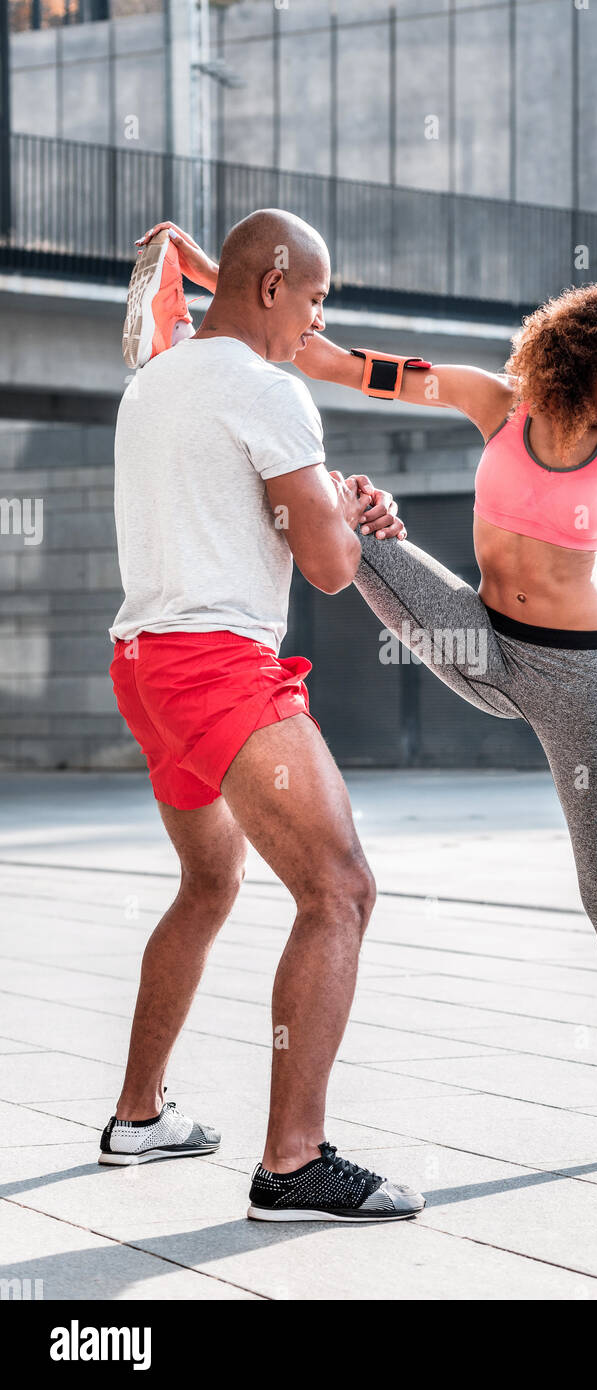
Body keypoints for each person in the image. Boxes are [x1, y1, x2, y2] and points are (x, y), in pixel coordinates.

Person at [133, 218, 597, 1165]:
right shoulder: (489, 402)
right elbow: (324, 359)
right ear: (579, 362)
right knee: (352, 518)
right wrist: (210, 272)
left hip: (582, 679)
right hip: (476, 639)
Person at [103, 211, 425, 1222]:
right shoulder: (267, 389)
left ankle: (139, 1116)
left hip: (142, 660)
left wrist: (325, 496)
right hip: (219, 664)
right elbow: (328, 569)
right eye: (317, 301)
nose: (316, 326)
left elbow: (243, 504)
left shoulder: (152, 383)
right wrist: (343, 511)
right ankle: (292, 1163)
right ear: (274, 282)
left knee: (209, 881)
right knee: (340, 890)